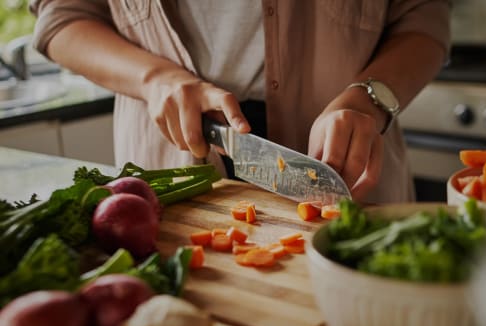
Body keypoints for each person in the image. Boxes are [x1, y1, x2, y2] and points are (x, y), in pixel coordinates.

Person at [29, 1, 450, 203]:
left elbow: (425, 20)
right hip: (174, 163)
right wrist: (155, 79)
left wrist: (369, 98)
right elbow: (62, 17)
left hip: (350, 170)